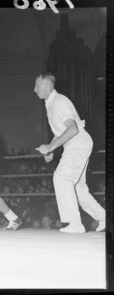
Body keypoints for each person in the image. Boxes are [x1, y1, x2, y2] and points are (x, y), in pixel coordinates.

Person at [34, 72, 105, 233]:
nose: (34, 89)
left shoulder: (59, 101)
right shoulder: (51, 104)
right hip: (76, 143)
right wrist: (51, 147)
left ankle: (75, 223)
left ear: (47, 85)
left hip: (77, 142)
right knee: (78, 189)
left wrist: (51, 147)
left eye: (37, 85)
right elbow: (61, 131)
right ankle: (104, 217)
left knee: (61, 177)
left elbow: (72, 128)